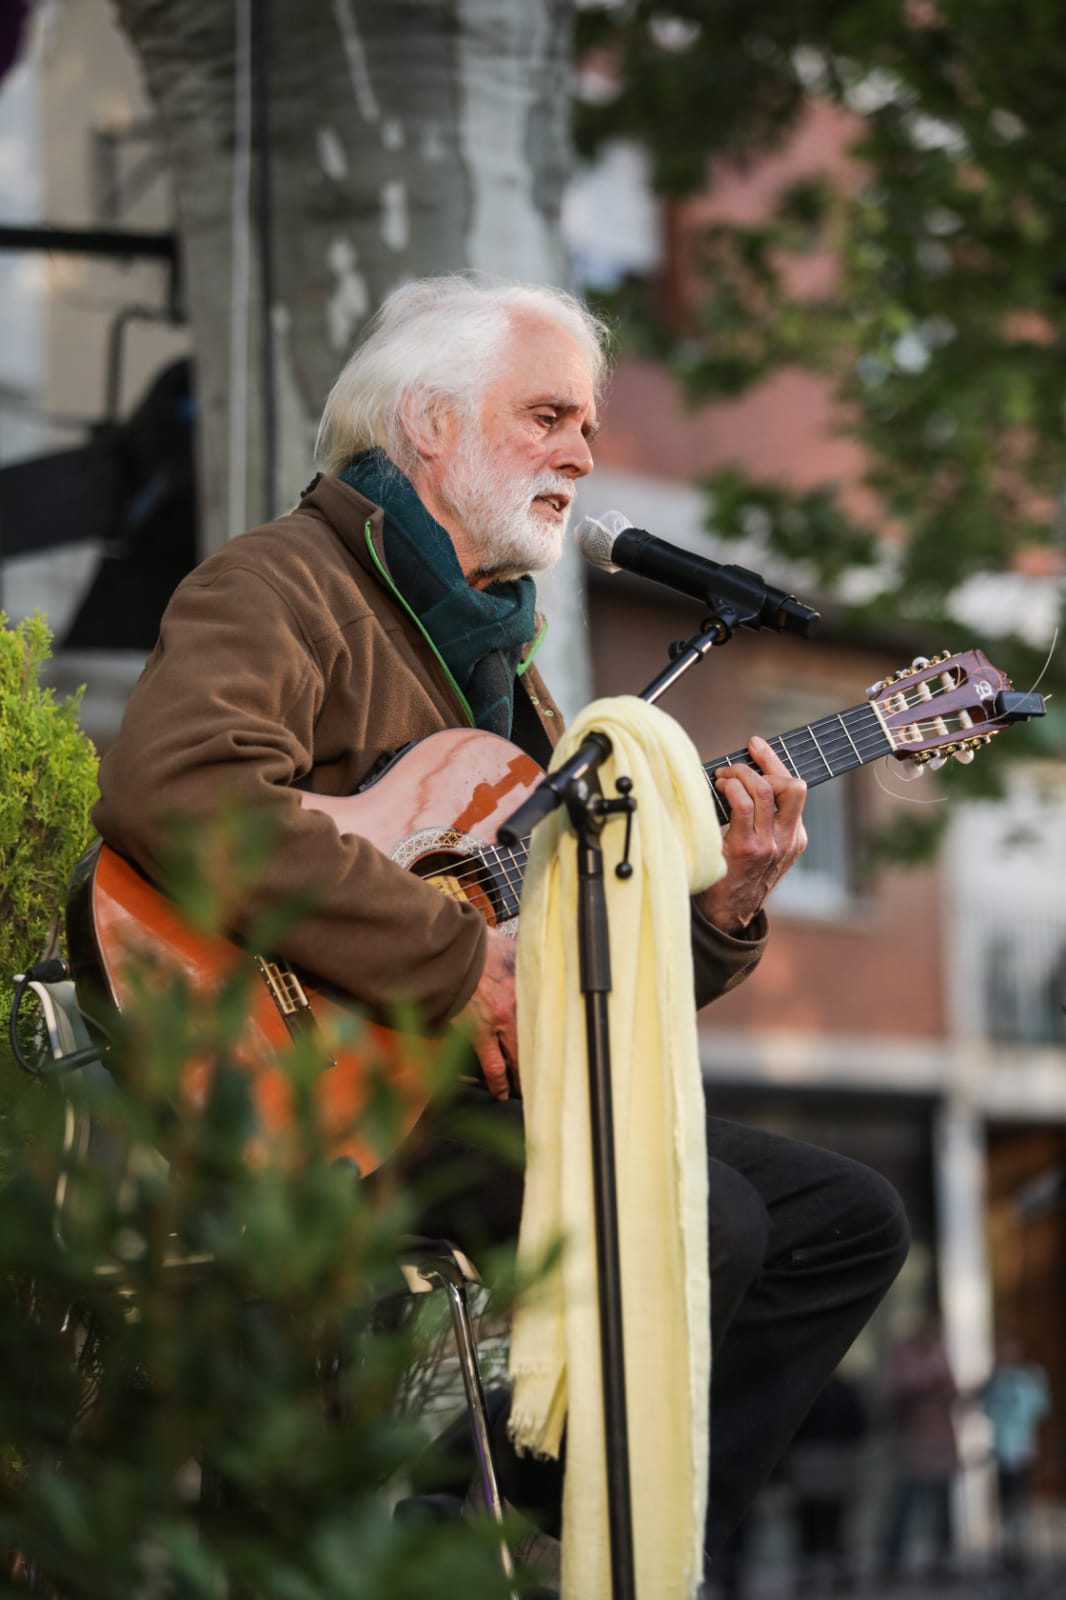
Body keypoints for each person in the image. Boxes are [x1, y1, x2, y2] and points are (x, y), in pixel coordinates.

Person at [91, 275, 909, 1576]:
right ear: (429, 425)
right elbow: (174, 790)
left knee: (846, 1217)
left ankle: (618, 1551)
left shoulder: (500, 666)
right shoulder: (286, 583)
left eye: (582, 424)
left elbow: (567, 970)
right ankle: (511, 1549)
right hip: (301, 1092)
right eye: (547, 417)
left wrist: (726, 905)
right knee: (712, 1219)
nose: (582, 452)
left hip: (463, 1091)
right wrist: (448, 958)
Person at [879, 1311, 959, 1583]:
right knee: (906, 1505)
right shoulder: (904, 1352)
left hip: (941, 1443)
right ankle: (891, 1563)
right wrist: (924, 1387)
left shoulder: (939, 1351)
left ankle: (942, 1562)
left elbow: (951, 1390)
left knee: (943, 1509)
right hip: (914, 1443)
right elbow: (897, 1394)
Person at [980, 1331, 1050, 1573]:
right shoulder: (996, 1378)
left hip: (1022, 1446)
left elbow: (1039, 1407)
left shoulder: (1030, 1375)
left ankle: (1022, 1550)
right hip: (1002, 1448)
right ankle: (1009, 1550)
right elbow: (988, 1409)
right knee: (1006, 1501)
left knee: (1021, 1498)